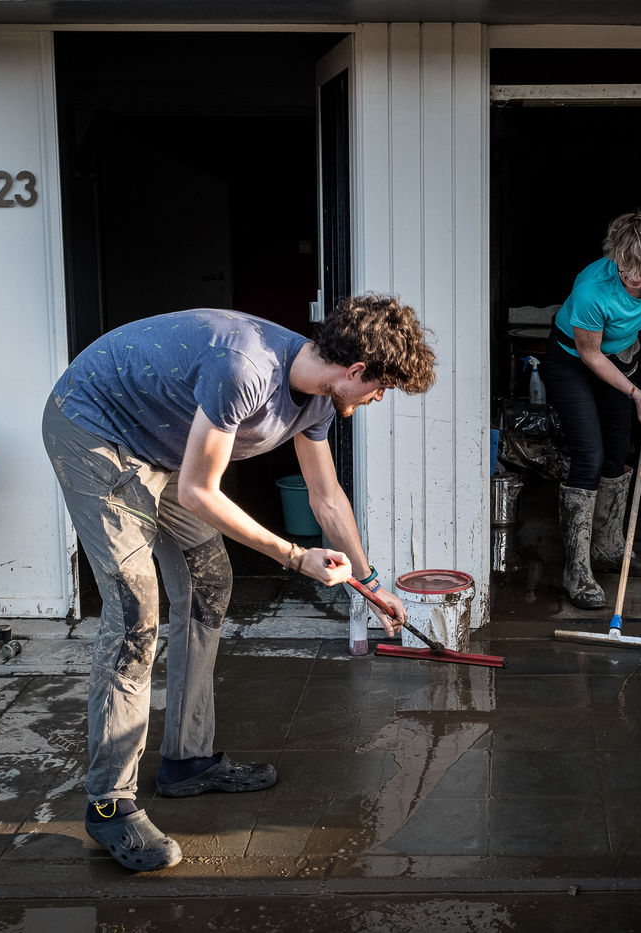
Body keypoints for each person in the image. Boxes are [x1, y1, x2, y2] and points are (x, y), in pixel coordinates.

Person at [41, 295, 435, 872]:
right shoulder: (245, 369)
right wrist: (295, 556)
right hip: (94, 429)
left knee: (208, 583)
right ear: (356, 370)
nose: (379, 398)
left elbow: (326, 497)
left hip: (158, 448)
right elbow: (199, 491)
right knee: (135, 615)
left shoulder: (318, 402)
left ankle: (187, 762)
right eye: (382, 387)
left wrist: (370, 584)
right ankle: (109, 805)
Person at [540, 209, 641, 609]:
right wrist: (637, 394)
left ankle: (608, 550)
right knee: (589, 455)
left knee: (619, 450)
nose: (633, 276)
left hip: (620, 356)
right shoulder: (592, 287)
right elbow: (591, 355)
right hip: (574, 361)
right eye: (625, 265)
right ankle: (577, 570)